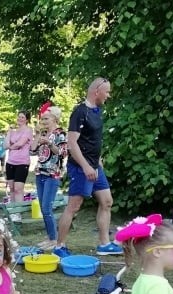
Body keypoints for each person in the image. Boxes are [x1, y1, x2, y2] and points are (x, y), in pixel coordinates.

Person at [54, 78, 122, 257]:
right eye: (107, 92)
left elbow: (92, 140)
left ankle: (104, 244)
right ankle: (59, 246)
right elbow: (72, 143)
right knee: (74, 206)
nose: (108, 95)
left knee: (107, 201)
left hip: (94, 167)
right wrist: (85, 166)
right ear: (96, 92)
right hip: (80, 168)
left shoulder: (97, 111)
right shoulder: (80, 112)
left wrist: (97, 160)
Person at [31, 106, 68, 249]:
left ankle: (54, 239)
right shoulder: (43, 133)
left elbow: (62, 153)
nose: (43, 120)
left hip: (53, 174)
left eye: (46, 118)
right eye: (42, 118)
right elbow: (33, 150)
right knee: (42, 207)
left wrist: (49, 143)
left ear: (55, 119)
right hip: (40, 172)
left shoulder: (60, 134)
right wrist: (37, 135)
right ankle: (50, 237)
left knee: (47, 208)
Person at [4, 111, 33, 203]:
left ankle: (18, 211)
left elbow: (20, 144)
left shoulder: (28, 130)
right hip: (10, 162)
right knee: (12, 188)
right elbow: (5, 145)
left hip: (22, 162)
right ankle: (13, 210)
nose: (19, 119)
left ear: (27, 120)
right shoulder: (13, 132)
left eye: (22, 117)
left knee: (18, 189)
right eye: (19, 117)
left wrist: (11, 147)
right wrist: (9, 132)